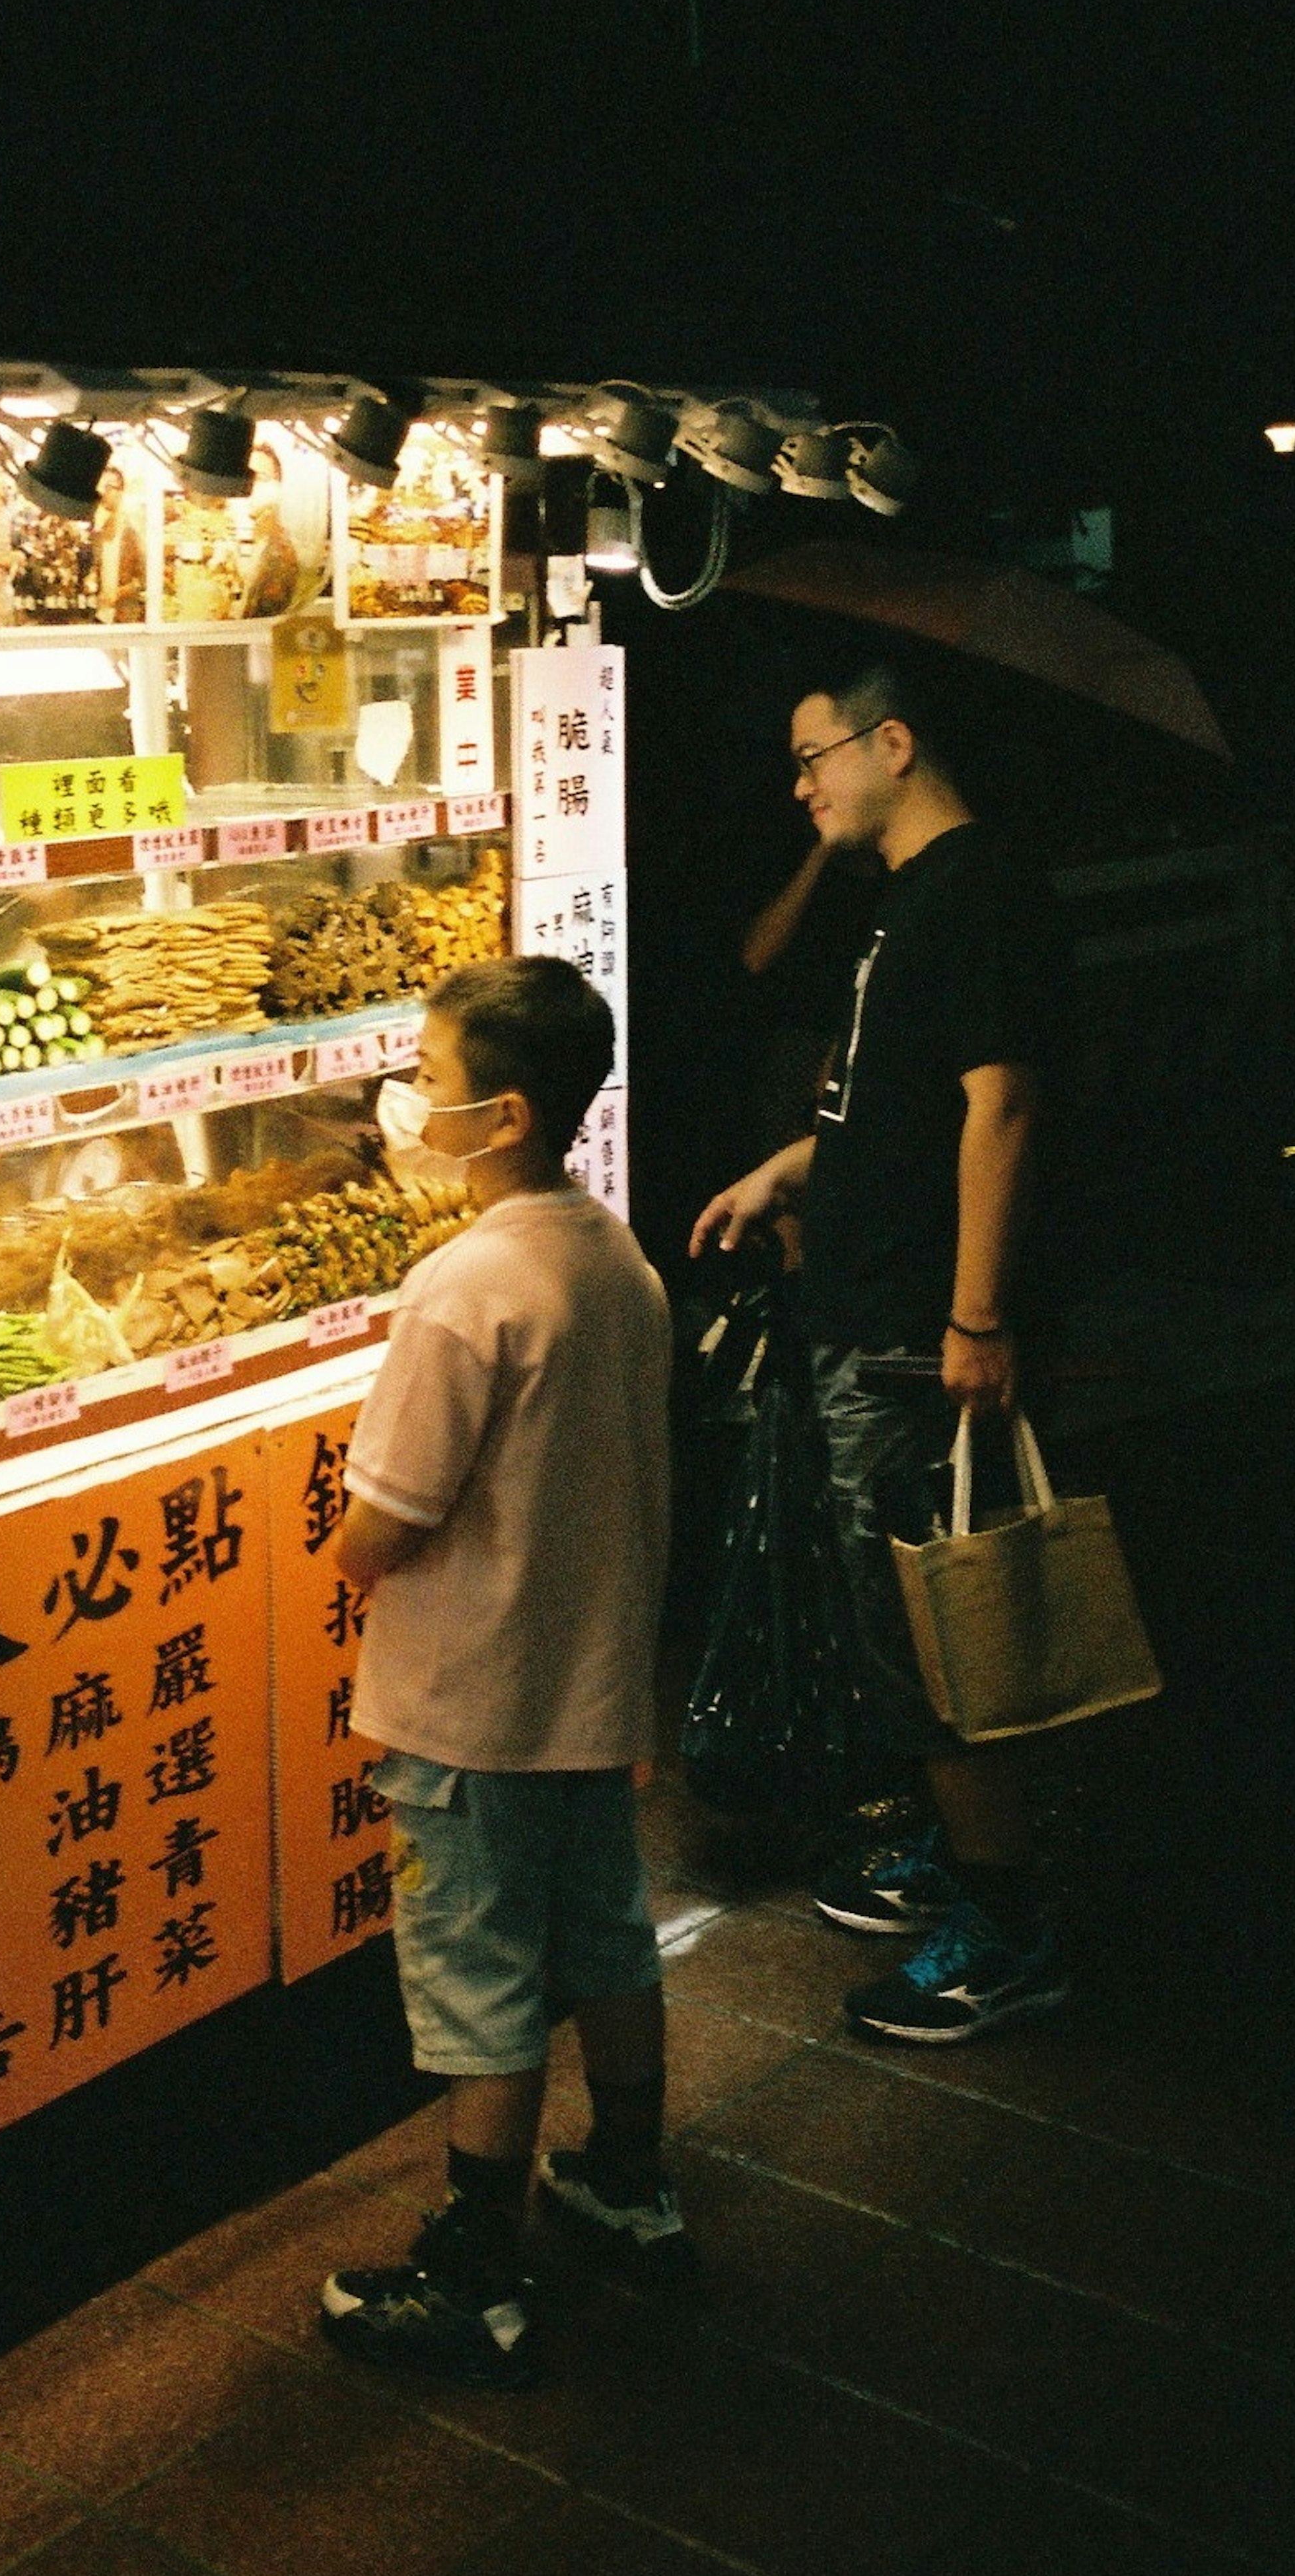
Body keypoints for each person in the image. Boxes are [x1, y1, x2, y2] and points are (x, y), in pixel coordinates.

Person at [689, 661, 1072, 2044]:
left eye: (814, 754)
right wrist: (789, 1168)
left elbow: (1004, 1107)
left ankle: (1005, 1926)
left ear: (893, 742)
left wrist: (974, 1319)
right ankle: (947, 1859)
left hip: (918, 1330)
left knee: (938, 1625)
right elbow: (889, 1106)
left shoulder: (979, 893)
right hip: (874, 1310)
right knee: (894, 1618)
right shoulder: (911, 900)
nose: (802, 786)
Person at [317, 958, 675, 2390]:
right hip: (592, 1690)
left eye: (428, 1071)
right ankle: (630, 2177)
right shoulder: (613, 1253)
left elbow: (389, 1516)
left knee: (479, 1977)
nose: (408, 1095)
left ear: (504, 1111)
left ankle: (480, 2270)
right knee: (607, 1939)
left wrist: (345, 1550)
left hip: (471, 1705)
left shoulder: (463, 1287)